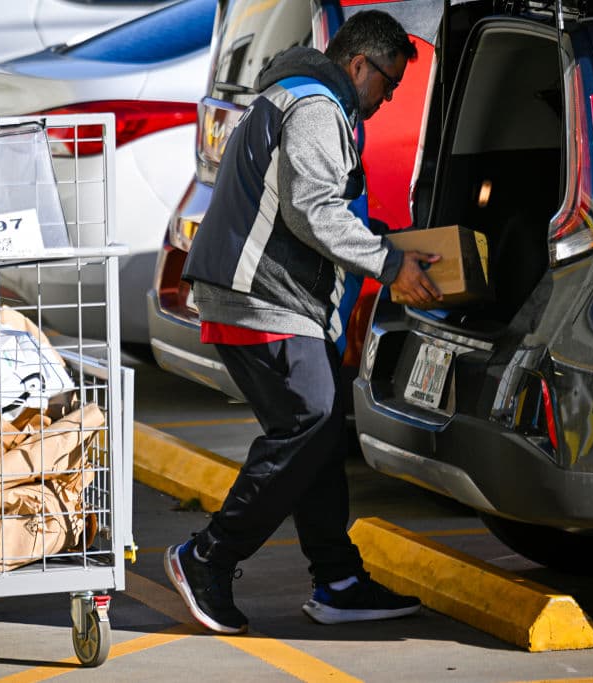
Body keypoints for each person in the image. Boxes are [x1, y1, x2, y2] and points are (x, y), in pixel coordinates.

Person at [164, 10, 443, 635]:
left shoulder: (295, 96)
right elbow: (313, 209)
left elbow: (315, 210)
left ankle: (338, 579)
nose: (388, 97)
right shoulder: (317, 107)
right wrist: (391, 264)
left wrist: (388, 246)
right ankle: (207, 556)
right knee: (310, 420)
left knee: (314, 436)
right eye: (388, 83)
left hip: (267, 293)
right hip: (261, 296)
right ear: (358, 65)